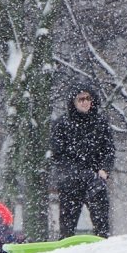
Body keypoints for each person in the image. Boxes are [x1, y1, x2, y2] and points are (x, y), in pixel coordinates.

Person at [50, 83, 115, 238]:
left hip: (95, 179)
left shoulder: (101, 123)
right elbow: (58, 155)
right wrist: (73, 173)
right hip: (71, 181)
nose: (85, 102)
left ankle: (102, 241)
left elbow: (109, 150)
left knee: (101, 221)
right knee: (67, 226)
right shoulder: (61, 124)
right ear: (73, 102)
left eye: (88, 98)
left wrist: (105, 170)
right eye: (81, 99)